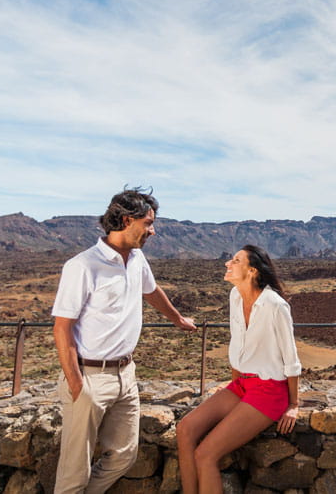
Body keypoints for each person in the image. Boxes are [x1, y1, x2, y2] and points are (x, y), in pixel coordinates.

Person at [52, 188, 196, 494]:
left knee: (125, 455)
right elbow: (62, 327)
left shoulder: (137, 258)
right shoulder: (83, 266)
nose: (152, 231)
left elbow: (151, 290)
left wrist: (177, 319)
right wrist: (77, 384)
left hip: (125, 376)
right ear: (127, 220)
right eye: (148, 223)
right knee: (73, 471)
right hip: (90, 375)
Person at [176, 245, 303, 494]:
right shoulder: (235, 296)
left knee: (206, 454)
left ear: (252, 270)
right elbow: (237, 344)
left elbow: (291, 358)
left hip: (269, 391)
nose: (228, 263)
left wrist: (294, 404)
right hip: (243, 385)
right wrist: (235, 386)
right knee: (185, 429)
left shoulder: (275, 306)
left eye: (236, 260)